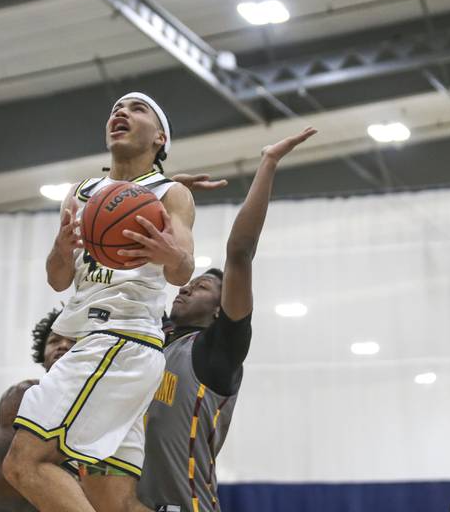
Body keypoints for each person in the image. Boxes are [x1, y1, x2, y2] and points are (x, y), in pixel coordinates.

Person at [79, 126, 317, 512]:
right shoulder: (147, 340)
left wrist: (268, 164)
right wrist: (161, 190)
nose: (187, 288)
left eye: (203, 286)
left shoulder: (216, 352)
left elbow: (239, 252)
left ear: (221, 309)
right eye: (189, 283)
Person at [4, 92, 196, 512]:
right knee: (115, 503)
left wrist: (169, 253)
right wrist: (60, 248)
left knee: (24, 463)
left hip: (121, 337)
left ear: (160, 137)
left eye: (137, 108)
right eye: (115, 109)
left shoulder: (170, 193)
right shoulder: (81, 192)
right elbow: (58, 280)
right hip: (102, 342)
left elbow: (182, 271)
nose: (121, 113)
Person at [0, 308, 75, 512]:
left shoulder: (99, 406)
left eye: (73, 341)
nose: (63, 345)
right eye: (54, 340)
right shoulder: (22, 396)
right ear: (42, 353)